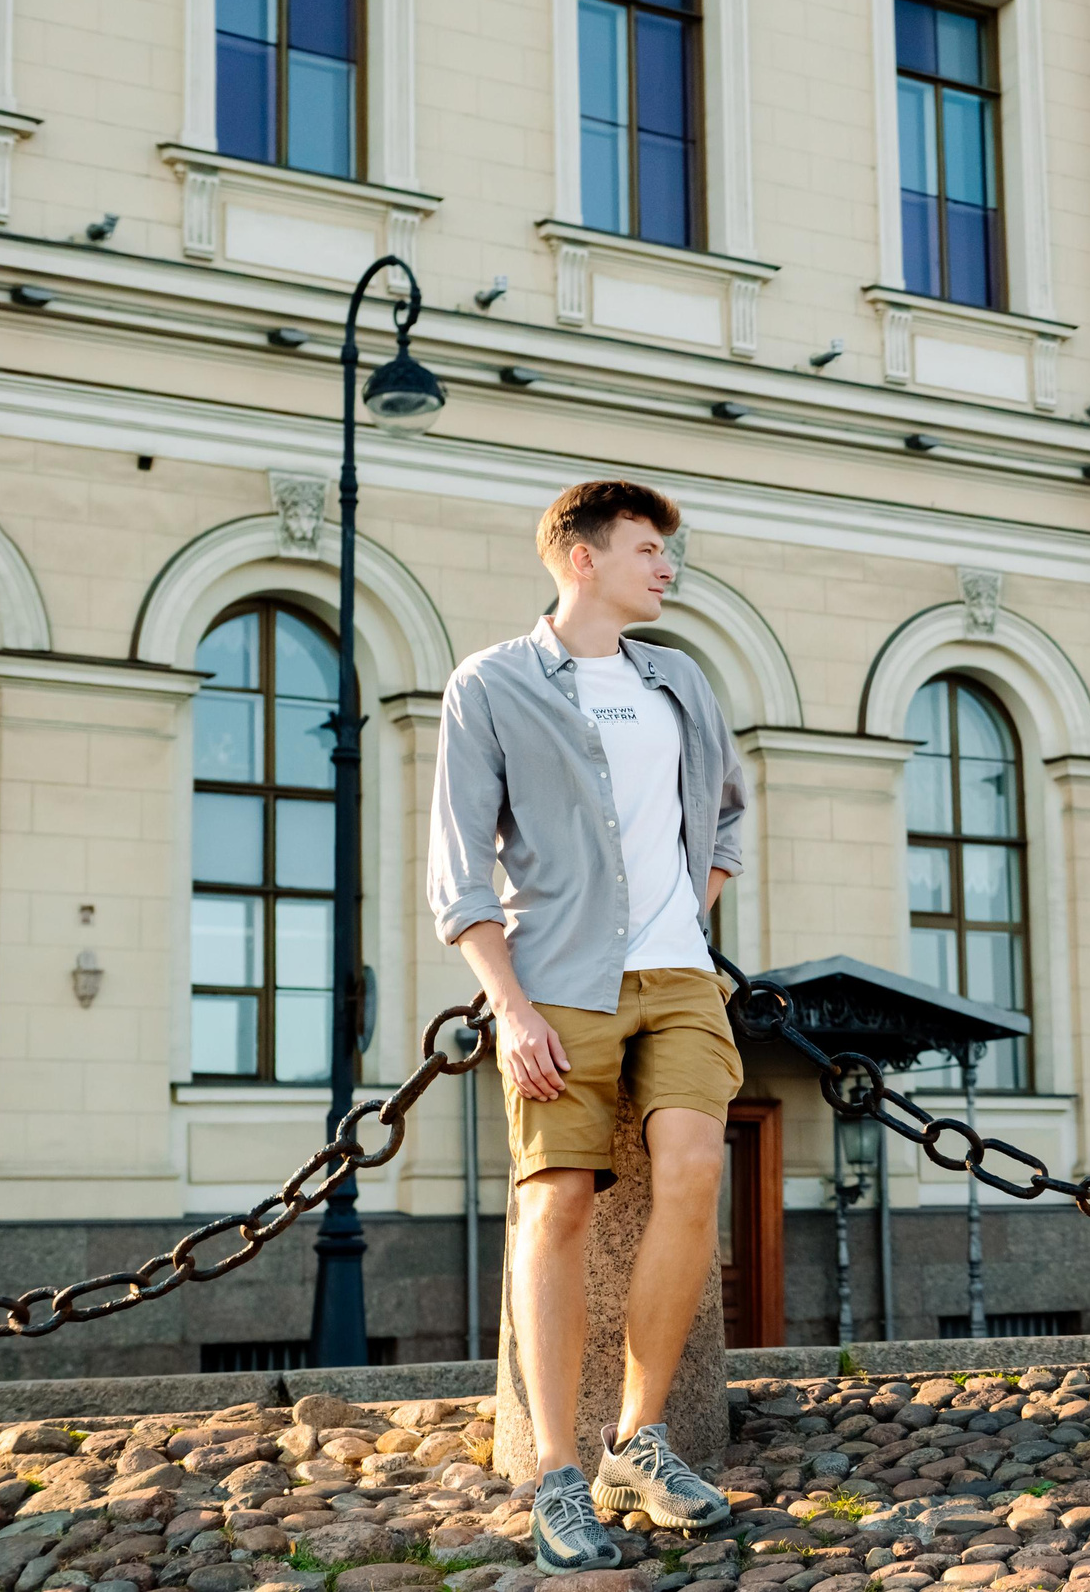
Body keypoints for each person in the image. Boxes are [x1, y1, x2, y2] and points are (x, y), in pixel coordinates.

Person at [429, 480, 748, 1573]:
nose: (667, 568)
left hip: (678, 979)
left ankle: (640, 1438)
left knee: (696, 1166)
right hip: (559, 979)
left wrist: (684, 918)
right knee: (555, 1202)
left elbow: (728, 814)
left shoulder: (680, 681)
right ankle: (558, 1471)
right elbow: (460, 870)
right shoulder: (493, 685)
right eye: (648, 549)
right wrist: (507, 1007)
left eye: (667, 551)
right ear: (581, 558)